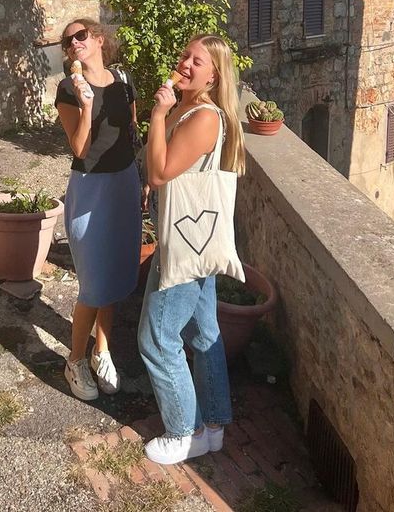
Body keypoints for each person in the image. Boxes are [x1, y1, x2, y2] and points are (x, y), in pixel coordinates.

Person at [137, 34, 246, 465]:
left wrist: (157, 114)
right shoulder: (192, 108)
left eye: (196, 61)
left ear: (214, 74)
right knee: (205, 332)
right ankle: (215, 424)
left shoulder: (202, 117)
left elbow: (161, 172)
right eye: (184, 55)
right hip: (199, 238)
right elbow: (167, 167)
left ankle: (187, 432)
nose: (184, 64)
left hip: (184, 240)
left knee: (157, 338)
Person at [54, 19, 142, 401]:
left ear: (99, 39)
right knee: (93, 282)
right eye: (68, 40)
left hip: (124, 182)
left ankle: (101, 350)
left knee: (115, 274)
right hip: (91, 188)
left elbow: (132, 129)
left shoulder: (123, 79)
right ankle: (74, 361)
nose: (74, 43)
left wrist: (143, 180)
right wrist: (86, 105)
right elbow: (79, 148)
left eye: (81, 36)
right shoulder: (67, 90)